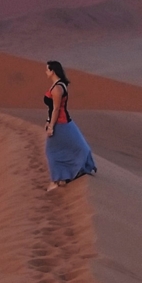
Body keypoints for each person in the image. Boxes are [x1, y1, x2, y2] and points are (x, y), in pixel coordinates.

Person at [43, 60, 97, 192]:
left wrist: (51, 126)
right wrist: (48, 120)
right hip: (61, 122)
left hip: (60, 124)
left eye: (47, 69)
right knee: (64, 150)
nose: (46, 72)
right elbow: (52, 109)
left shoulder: (57, 88)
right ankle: (62, 177)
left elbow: (56, 109)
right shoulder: (58, 85)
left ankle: (55, 181)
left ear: (52, 71)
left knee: (52, 152)